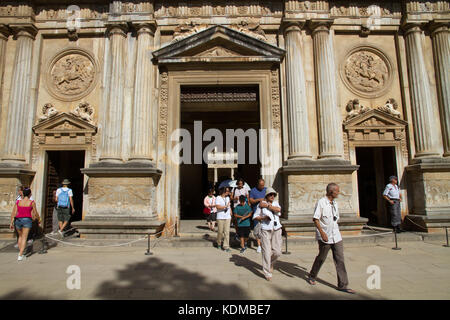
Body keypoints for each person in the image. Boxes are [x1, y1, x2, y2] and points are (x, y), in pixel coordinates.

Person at [307, 183, 355, 294]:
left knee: (340, 259)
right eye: (337, 191)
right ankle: (312, 275)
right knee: (321, 257)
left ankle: (343, 284)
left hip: (336, 236)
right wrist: (322, 233)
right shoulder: (321, 203)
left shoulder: (335, 203)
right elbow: (315, 219)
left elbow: (335, 219)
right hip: (325, 236)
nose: (339, 193)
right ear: (331, 191)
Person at [253, 187, 282, 281]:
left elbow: (278, 210)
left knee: (277, 252)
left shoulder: (275, 203)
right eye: (270, 194)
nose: (272, 196)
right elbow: (255, 216)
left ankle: (271, 263)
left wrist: (268, 206)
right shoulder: (260, 205)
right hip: (265, 229)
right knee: (266, 252)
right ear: (266, 195)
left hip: (276, 228)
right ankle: (267, 272)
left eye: (273, 194)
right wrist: (263, 218)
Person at [9, 188, 40, 261]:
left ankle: (21, 253)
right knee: (24, 237)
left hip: (18, 220)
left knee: (20, 236)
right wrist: (38, 219)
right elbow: (35, 212)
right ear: (29, 194)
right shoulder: (31, 202)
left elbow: (14, 212)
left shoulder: (18, 202)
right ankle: (20, 255)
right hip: (27, 220)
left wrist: (11, 222)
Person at [249, 178, 266, 253]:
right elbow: (251, 200)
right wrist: (258, 199)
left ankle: (264, 244)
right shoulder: (253, 190)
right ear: (258, 184)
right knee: (257, 229)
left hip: (265, 212)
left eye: (263, 185)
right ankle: (259, 245)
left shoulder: (266, 190)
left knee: (264, 229)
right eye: (261, 185)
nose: (262, 187)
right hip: (257, 212)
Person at [215, 187, 232, 252]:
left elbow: (229, 206)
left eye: (228, 191)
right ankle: (219, 243)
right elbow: (217, 206)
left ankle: (226, 246)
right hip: (220, 217)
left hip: (227, 217)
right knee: (220, 232)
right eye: (227, 191)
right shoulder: (218, 198)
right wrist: (225, 207)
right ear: (223, 191)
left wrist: (230, 211)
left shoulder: (227, 198)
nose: (228, 192)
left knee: (227, 232)